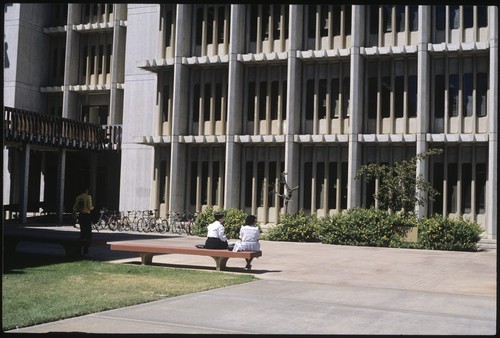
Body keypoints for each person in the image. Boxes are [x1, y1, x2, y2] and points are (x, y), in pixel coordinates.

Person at [72, 187, 94, 256]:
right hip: (87, 215)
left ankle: (79, 249)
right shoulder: (88, 197)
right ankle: (85, 251)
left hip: (81, 215)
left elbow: (74, 207)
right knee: (88, 234)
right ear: (86, 191)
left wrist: (74, 216)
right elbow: (89, 207)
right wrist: (93, 207)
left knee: (82, 233)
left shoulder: (78, 197)